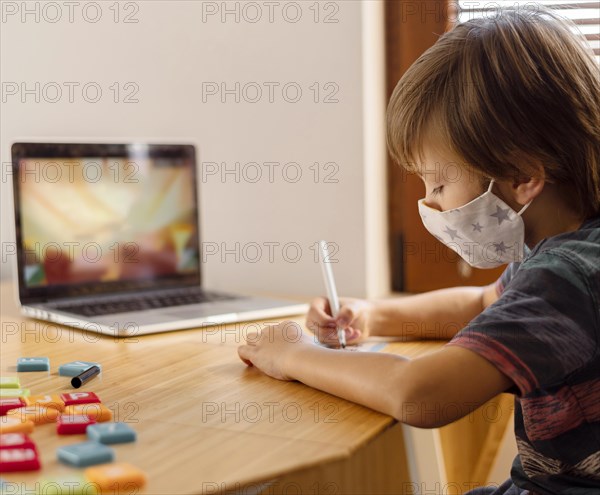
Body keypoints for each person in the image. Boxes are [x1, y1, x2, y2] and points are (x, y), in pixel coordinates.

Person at [237, 6, 600, 494]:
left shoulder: (568, 279)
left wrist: (293, 356)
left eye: (438, 182)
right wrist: (373, 316)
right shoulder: (563, 252)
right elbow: (480, 305)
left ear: (523, 176)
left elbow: (420, 395)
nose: (427, 202)